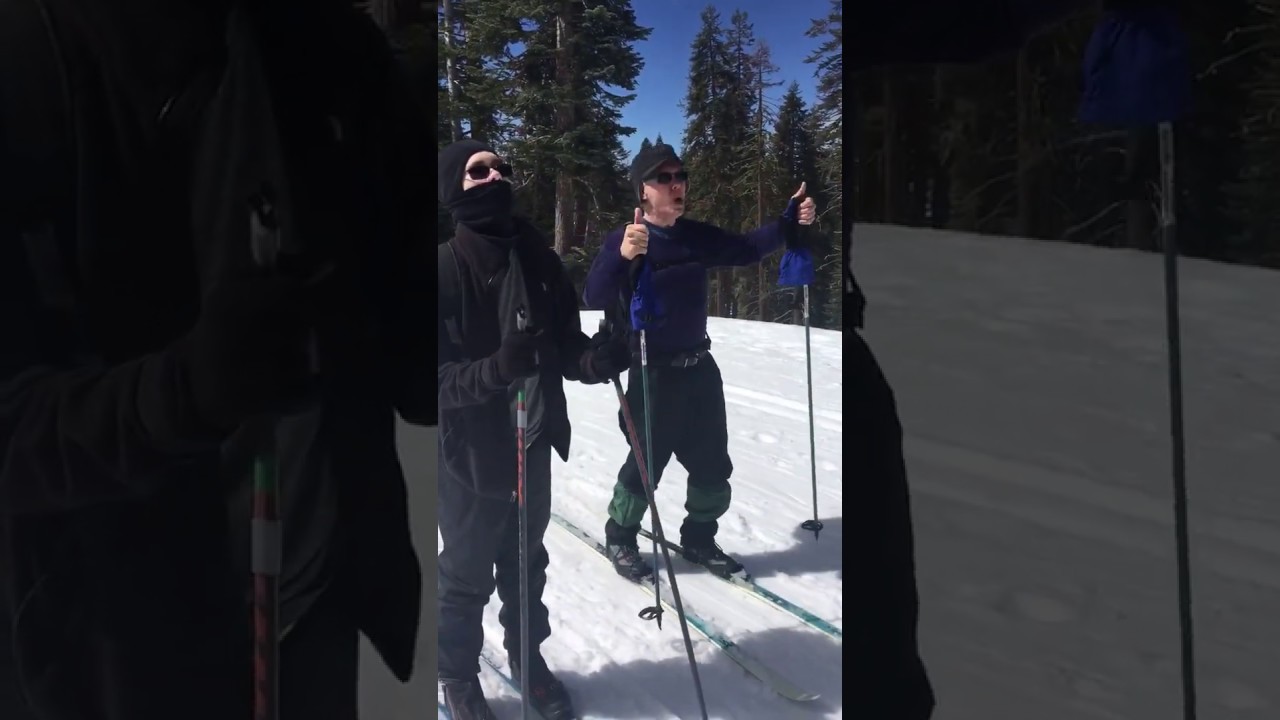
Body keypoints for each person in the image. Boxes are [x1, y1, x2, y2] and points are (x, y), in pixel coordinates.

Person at [0, 1, 436, 718]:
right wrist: (179, 396)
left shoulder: (333, 46)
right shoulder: (32, 49)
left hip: (305, 608)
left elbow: (416, 362)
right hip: (106, 653)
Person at [436, 138, 631, 720]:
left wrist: (595, 362)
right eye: (479, 170)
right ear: (453, 189)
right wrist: (494, 370)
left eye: (501, 167)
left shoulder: (541, 261)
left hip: (535, 439)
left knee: (526, 564)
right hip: (470, 453)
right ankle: (457, 675)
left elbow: (566, 348)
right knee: (467, 573)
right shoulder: (442, 269)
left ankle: (528, 659)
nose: (496, 175)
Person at [580, 142, 816, 582]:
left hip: (700, 368)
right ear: (643, 191)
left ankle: (699, 538)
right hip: (652, 371)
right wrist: (621, 256)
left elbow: (746, 248)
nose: (676, 185)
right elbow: (593, 295)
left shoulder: (695, 235)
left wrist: (789, 220)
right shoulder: (628, 238)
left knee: (712, 464)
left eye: (680, 176)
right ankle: (621, 535)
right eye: (663, 178)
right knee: (646, 463)